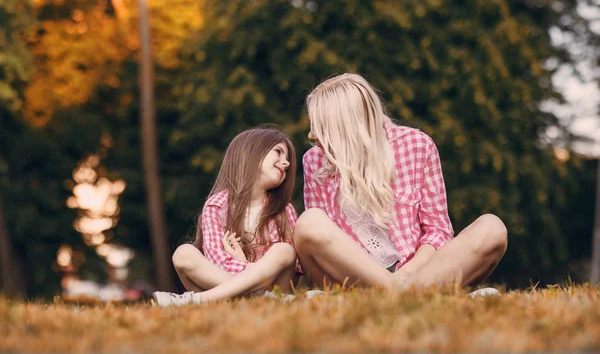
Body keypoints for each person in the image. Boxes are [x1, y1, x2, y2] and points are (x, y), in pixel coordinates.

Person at [293, 73, 508, 295]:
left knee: (492, 228)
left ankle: (398, 295)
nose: (311, 134)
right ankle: (413, 297)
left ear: (346, 126)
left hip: (415, 272)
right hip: (349, 279)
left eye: (320, 126)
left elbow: (437, 231)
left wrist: (404, 277)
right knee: (309, 222)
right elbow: (322, 244)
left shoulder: (418, 145)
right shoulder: (314, 160)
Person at [153, 127, 299, 306]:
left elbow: (293, 265)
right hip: (260, 294)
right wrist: (249, 270)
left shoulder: (285, 210)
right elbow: (216, 258)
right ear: (250, 153)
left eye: (287, 159)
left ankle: (199, 300)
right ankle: (255, 300)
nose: (286, 163)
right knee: (183, 254)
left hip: (274, 287)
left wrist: (242, 262)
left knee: (284, 250)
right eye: (278, 152)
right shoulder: (217, 205)